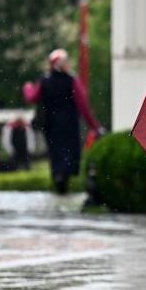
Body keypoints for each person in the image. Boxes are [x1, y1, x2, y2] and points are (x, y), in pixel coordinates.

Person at [22, 49, 101, 194]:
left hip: (51, 125)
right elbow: (83, 105)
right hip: (69, 125)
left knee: (56, 154)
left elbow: (31, 97)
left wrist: (26, 87)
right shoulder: (72, 80)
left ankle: (58, 178)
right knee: (68, 155)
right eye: (65, 61)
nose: (68, 64)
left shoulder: (44, 80)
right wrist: (94, 126)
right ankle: (63, 180)